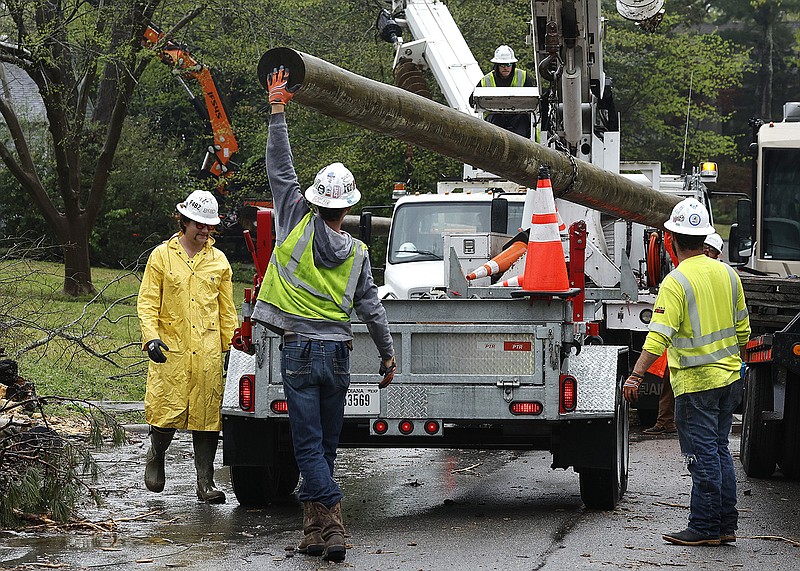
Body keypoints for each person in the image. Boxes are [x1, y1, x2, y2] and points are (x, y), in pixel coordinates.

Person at [252, 66, 395, 562]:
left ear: (317, 200)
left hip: (298, 351)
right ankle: (314, 532)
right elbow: (372, 309)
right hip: (338, 354)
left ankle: (331, 522)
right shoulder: (356, 251)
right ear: (349, 206)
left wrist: (277, 109)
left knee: (309, 445)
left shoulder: (296, 219)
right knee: (326, 444)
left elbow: (280, 169)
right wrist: (388, 355)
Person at [623, 198, 750, 547]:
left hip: (696, 385)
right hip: (730, 379)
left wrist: (635, 376)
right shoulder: (729, 274)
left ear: (671, 239)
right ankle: (725, 525)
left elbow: (658, 336)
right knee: (720, 451)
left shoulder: (676, 281)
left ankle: (705, 527)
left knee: (703, 456)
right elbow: (743, 331)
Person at [137, 189, 239, 504]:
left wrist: (232, 348)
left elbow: (227, 310)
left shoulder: (219, 261)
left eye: (209, 226)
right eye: (199, 224)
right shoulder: (161, 256)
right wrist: (150, 336)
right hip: (171, 349)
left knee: (207, 418)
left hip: (207, 351)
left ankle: (204, 483)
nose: (205, 231)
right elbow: (148, 302)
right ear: (185, 221)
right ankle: (157, 452)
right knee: (166, 413)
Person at [644, 230, 724, 435]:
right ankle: (666, 421)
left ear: (718, 255)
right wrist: (670, 232)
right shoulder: (699, 272)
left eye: (711, 251)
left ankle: (672, 423)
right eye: (705, 249)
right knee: (670, 384)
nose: (707, 254)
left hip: (701, 353)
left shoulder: (716, 276)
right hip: (689, 348)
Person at [471, 45, 535, 139]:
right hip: (496, 117)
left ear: (513, 65)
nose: (506, 68)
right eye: (502, 65)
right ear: (497, 65)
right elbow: (472, 102)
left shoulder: (523, 77)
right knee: (495, 122)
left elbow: (534, 100)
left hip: (518, 118)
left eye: (509, 64)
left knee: (523, 121)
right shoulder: (486, 80)